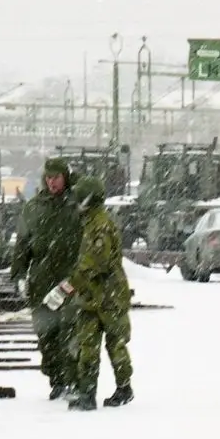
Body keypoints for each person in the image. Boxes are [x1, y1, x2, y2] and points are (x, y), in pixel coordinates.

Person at [58, 176, 134, 411]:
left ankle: (124, 388)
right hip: (92, 295)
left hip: (108, 295)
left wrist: (68, 286)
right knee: (87, 344)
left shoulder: (100, 224)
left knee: (115, 344)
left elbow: (95, 263)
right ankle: (87, 393)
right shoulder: (90, 222)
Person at [10, 157, 83, 400]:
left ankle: (72, 379)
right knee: (46, 335)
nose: (52, 182)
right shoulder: (33, 207)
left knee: (69, 332)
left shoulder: (77, 205)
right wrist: (19, 274)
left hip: (71, 280)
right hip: (41, 280)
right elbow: (22, 244)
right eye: (49, 178)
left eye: (57, 177)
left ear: (66, 177)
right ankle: (56, 379)